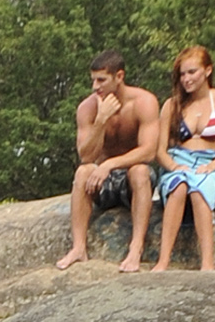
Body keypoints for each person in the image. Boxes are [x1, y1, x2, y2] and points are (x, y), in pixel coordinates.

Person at [55, 52, 161, 272]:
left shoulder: (144, 102)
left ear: (119, 76)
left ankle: (135, 249)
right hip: (102, 181)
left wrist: (109, 164)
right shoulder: (88, 108)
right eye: (93, 80)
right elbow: (86, 155)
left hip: (132, 178)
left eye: (101, 80)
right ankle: (78, 248)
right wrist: (101, 121)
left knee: (140, 171)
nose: (95, 86)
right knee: (83, 172)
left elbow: (149, 151)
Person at [152, 46, 215, 272]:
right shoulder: (172, 106)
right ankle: (163, 261)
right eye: (182, 74)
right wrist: (173, 166)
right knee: (179, 185)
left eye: (192, 72)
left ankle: (207, 263)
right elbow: (159, 151)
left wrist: (211, 167)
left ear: (207, 71)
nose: (186, 79)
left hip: (211, 162)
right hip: (179, 160)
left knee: (200, 188)